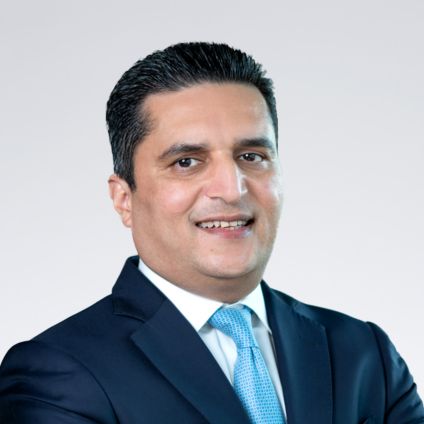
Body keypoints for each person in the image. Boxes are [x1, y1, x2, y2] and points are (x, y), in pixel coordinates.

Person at [0, 42, 422, 424]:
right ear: (124, 199)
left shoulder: (364, 355)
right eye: (186, 162)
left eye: (252, 156)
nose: (232, 189)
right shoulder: (59, 374)